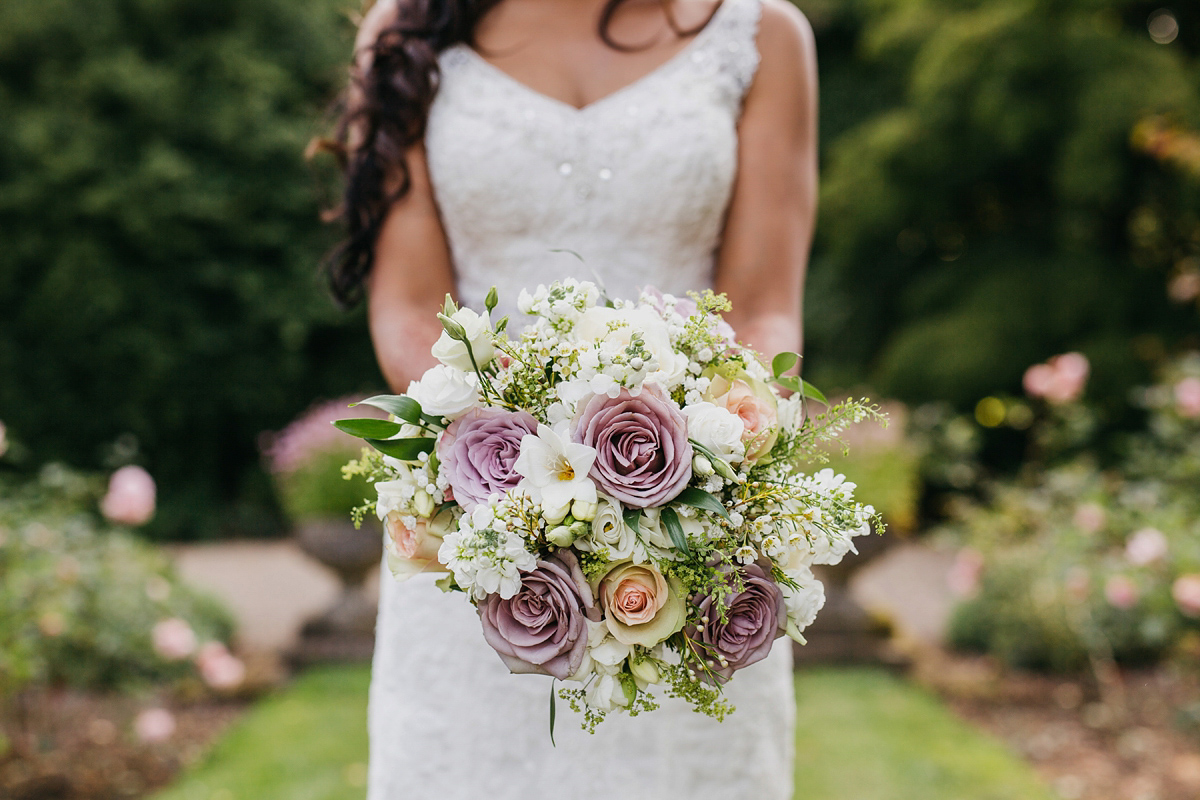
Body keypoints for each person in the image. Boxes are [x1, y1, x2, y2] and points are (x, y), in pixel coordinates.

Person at [327, 0, 817, 796]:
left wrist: (686, 458)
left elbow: (762, 309)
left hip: (694, 524)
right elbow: (409, 309)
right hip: (481, 520)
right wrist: (526, 442)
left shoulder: (761, 36)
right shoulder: (408, 28)